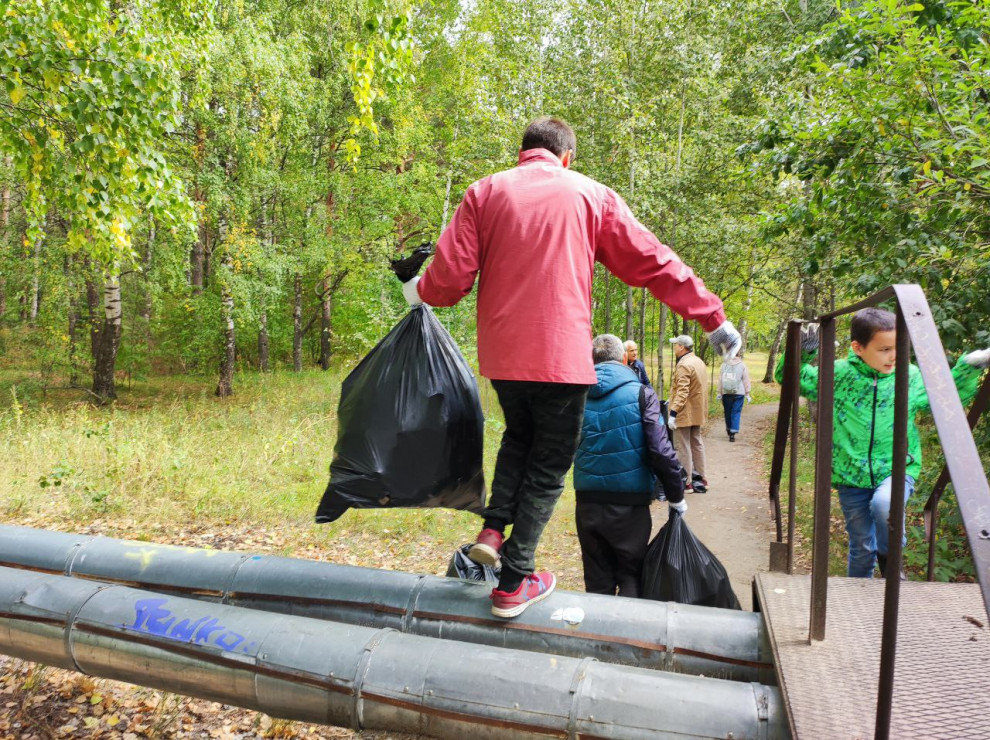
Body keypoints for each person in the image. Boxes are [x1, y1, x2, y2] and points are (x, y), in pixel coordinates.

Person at [402, 116, 740, 618]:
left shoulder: (483, 193)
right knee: (549, 466)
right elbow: (652, 261)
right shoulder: (590, 195)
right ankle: (514, 581)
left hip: (504, 358)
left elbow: (450, 280)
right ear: (566, 157)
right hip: (559, 357)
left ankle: (493, 531)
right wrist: (711, 316)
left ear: (523, 152)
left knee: (519, 440)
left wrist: (416, 289)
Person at [776, 308, 988, 578]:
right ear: (858, 347)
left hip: (896, 467)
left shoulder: (908, 376)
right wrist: (805, 350)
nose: (893, 356)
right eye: (884, 349)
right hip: (850, 474)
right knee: (861, 543)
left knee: (884, 505)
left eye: (898, 347)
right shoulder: (839, 374)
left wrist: (969, 366)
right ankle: (858, 592)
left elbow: (942, 396)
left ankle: (891, 564)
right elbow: (790, 376)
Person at [573, 335, 686, 597]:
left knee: (597, 580)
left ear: (591, 360)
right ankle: (626, 636)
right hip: (630, 507)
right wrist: (676, 495)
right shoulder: (641, 394)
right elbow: (660, 449)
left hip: (587, 504)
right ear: (624, 359)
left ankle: (597, 635)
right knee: (631, 576)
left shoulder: (576, 396)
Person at [667, 335, 709, 493]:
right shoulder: (698, 361)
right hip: (697, 411)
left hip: (685, 412)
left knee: (682, 446)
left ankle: (687, 482)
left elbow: (682, 391)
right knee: (696, 443)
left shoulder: (684, 365)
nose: (674, 347)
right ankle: (702, 479)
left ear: (682, 347)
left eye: (675, 345)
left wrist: (673, 412)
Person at [718, 352, 752, 442]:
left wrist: (719, 392)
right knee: (736, 412)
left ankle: (729, 429)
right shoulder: (742, 365)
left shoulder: (724, 365)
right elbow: (746, 379)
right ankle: (733, 432)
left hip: (726, 392)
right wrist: (747, 393)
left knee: (727, 412)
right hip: (739, 392)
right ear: (739, 355)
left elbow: (720, 380)